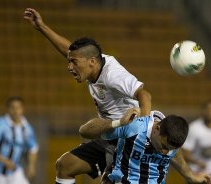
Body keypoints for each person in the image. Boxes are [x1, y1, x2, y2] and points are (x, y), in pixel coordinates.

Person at [23, 8, 152, 184]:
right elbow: (70, 51)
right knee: (65, 165)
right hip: (110, 135)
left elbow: (144, 94)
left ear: (92, 62)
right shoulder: (93, 63)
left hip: (128, 140)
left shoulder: (113, 75)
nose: (69, 67)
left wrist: (143, 128)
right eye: (70, 61)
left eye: (73, 63)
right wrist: (42, 27)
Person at [79, 109, 211, 184]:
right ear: (157, 129)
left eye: (170, 149)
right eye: (163, 146)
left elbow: (176, 154)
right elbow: (84, 131)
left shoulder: (171, 136)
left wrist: (190, 175)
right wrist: (118, 123)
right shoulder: (134, 127)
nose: (165, 152)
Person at [0, 96, 38, 184]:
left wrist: (31, 166)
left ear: (23, 109)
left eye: (18, 107)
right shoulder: (0, 125)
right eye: (12, 107)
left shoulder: (26, 128)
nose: (15, 110)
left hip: (15, 171)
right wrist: (5, 161)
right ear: (8, 109)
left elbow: (33, 148)